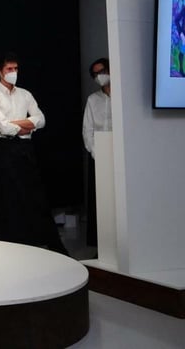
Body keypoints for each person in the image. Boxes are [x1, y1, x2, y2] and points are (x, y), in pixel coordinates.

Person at [0, 52, 68, 255]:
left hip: (26, 149)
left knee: (36, 196)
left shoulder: (25, 94)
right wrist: (27, 124)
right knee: (11, 198)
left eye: (15, 69)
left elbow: (41, 119)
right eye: (9, 69)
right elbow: (3, 128)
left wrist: (18, 124)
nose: (13, 72)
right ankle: (16, 247)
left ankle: (47, 242)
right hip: (5, 149)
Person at [82, 57, 111, 247]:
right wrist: (96, 153)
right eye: (95, 74)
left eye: (102, 72)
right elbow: (88, 130)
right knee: (99, 201)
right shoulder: (93, 100)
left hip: (121, 153)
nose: (99, 76)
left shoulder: (123, 95)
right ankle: (101, 245)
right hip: (99, 155)